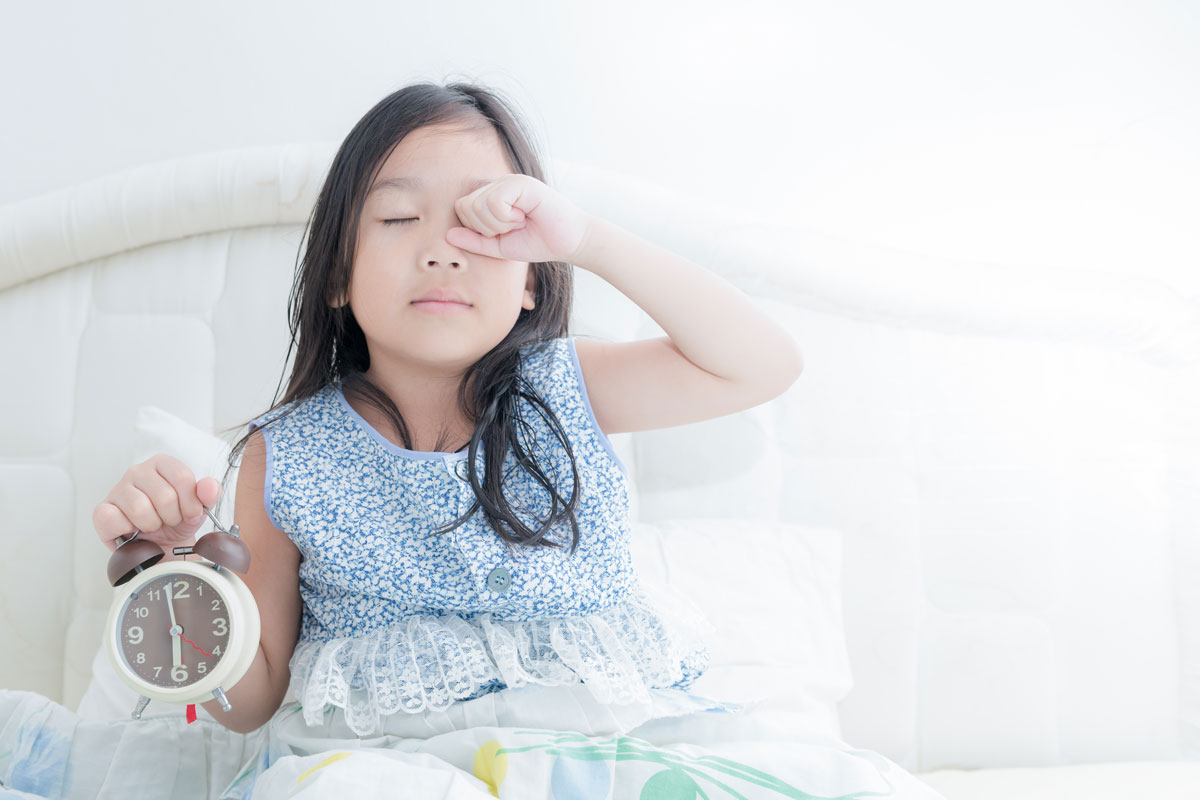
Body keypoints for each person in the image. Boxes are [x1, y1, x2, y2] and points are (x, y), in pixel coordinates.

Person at [6, 81, 880, 800]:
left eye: (484, 225)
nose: (443, 252)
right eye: (397, 221)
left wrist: (586, 237)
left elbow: (761, 365)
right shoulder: (284, 453)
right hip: (388, 762)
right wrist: (183, 585)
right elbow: (251, 697)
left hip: (602, 749)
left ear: (533, 279)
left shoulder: (568, 385)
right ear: (338, 278)